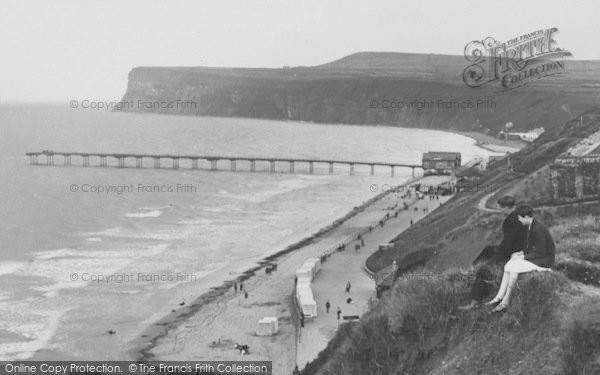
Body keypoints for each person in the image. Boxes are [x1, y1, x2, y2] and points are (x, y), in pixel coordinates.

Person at [459, 196, 527, 310]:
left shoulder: (511, 221)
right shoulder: (516, 216)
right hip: (517, 249)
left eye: (500, 207)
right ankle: (472, 268)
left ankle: (474, 302)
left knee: (484, 270)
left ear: (506, 207)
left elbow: (508, 244)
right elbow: (510, 241)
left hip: (512, 253)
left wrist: (498, 253)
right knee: (488, 249)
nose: (498, 209)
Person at [486, 204, 555, 312]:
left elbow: (541, 252)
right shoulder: (532, 226)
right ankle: (498, 297)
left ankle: (505, 301)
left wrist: (523, 257)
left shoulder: (538, 229)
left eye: (520, 218)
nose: (519, 220)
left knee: (514, 267)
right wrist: (520, 253)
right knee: (509, 265)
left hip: (545, 260)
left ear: (527, 217)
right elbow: (532, 247)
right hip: (538, 257)